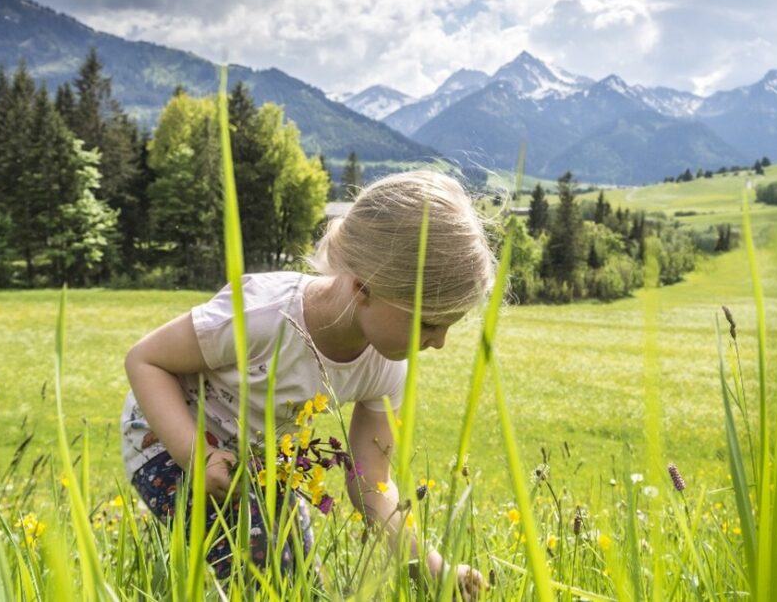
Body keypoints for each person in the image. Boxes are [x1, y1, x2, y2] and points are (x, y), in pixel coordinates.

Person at [121, 170, 496, 597]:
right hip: (167, 437)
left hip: (260, 462)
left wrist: (431, 565)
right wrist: (198, 455)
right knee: (264, 572)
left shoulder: (387, 367)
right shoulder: (265, 315)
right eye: (429, 322)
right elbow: (145, 360)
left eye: (449, 325)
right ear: (363, 288)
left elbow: (371, 482)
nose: (440, 343)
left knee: (301, 582)